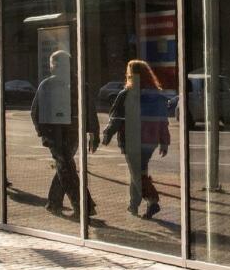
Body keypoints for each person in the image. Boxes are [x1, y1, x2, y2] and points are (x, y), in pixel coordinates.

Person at [31, 50, 99, 217]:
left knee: (65, 168)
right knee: (66, 167)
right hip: (66, 135)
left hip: (59, 135)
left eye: (53, 64)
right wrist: (93, 133)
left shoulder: (50, 85)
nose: (52, 67)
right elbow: (90, 111)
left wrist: (43, 133)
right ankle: (58, 203)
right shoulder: (73, 84)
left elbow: (35, 111)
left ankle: (82, 207)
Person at [102, 59, 170, 219]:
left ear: (130, 74)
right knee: (139, 172)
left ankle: (152, 201)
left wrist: (107, 134)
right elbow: (163, 121)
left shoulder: (125, 94)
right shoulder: (156, 95)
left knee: (137, 174)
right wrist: (164, 141)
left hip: (131, 141)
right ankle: (133, 206)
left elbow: (116, 118)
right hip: (150, 141)